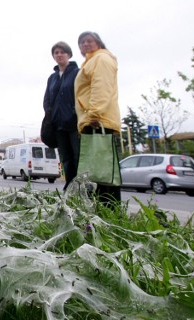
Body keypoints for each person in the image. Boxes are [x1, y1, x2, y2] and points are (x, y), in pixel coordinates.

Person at [74, 31, 122, 207]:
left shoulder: (101, 59)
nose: (85, 44)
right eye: (81, 42)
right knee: (96, 169)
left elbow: (101, 87)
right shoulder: (91, 61)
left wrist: (94, 114)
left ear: (99, 43)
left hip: (98, 120)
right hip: (93, 119)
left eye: (89, 41)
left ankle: (109, 208)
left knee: (103, 170)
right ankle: (102, 208)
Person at [43, 41, 80, 191]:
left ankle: (79, 185)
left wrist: (73, 113)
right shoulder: (52, 78)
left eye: (62, 52)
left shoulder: (77, 72)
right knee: (65, 157)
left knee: (77, 155)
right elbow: (47, 99)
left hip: (73, 123)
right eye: (56, 52)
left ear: (69, 54)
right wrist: (49, 114)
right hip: (57, 124)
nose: (59, 55)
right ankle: (69, 186)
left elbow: (81, 95)